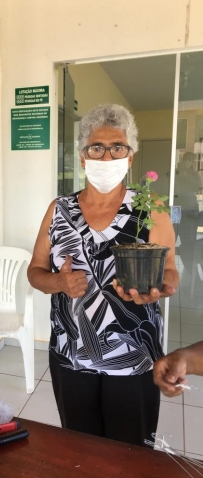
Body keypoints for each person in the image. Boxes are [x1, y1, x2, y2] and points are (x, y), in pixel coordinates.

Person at [27, 104, 179, 447]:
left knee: (130, 453)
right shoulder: (58, 209)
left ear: (130, 157)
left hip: (135, 358)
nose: (107, 156)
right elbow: (35, 272)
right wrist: (58, 282)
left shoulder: (149, 210)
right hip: (71, 354)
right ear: (83, 157)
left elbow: (170, 270)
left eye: (117, 147)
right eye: (97, 147)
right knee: (79, 450)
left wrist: (161, 288)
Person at [174, 151, 203, 275]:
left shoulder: (194, 174)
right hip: (175, 208)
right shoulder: (175, 171)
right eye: (185, 159)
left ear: (192, 162)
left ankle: (191, 271)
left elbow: (197, 187)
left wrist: (184, 174)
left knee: (189, 240)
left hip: (190, 209)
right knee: (171, 236)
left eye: (189, 160)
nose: (186, 162)